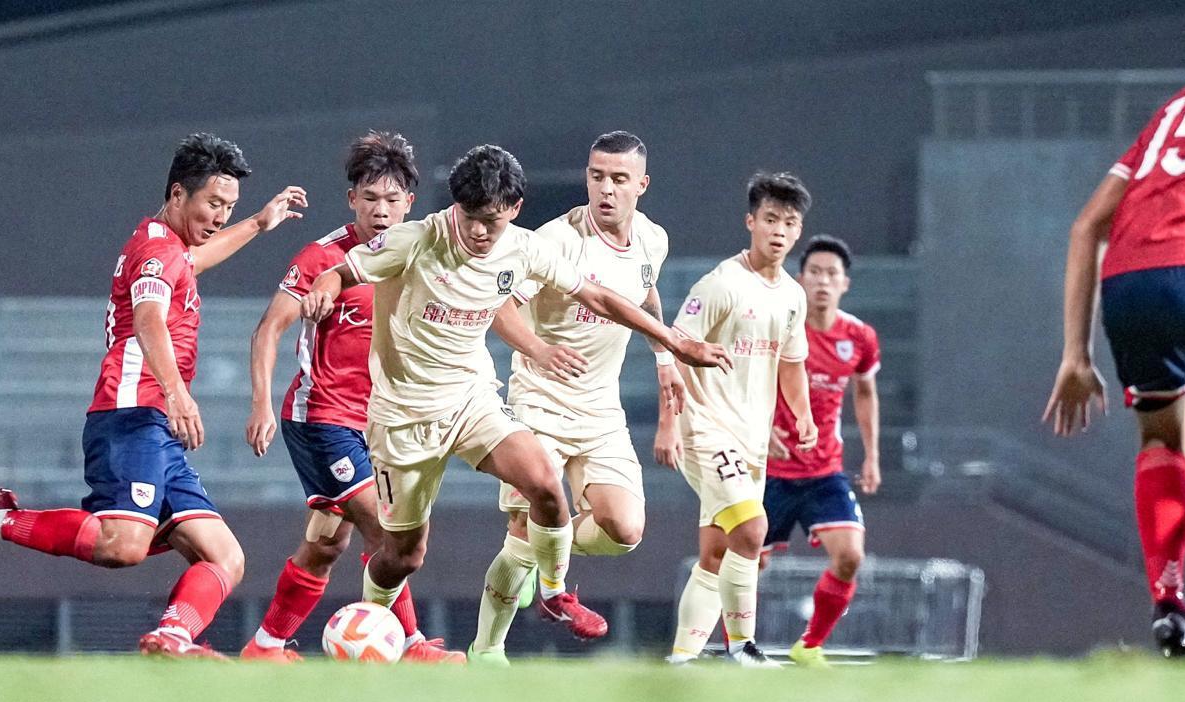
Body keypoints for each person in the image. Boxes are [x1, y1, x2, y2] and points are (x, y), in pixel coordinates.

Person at [299, 144, 729, 646]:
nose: (481, 233)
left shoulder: (524, 246)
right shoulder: (414, 239)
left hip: (472, 399)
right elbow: (341, 270)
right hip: (404, 417)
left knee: (545, 485)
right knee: (404, 556)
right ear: (456, 206)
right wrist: (325, 288)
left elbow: (599, 295)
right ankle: (369, 622)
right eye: (473, 218)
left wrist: (673, 341)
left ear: (515, 211)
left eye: (494, 221)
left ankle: (552, 592)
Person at [0, 133, 307, 658]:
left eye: (229, 207)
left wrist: (259, 224)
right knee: (122, 547)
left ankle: (171, 636)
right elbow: (149, 318)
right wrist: (177, 394)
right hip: (131, 414)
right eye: (213, 203)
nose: (220, 216)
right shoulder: (156, 251)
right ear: (178, 194)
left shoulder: (168, 247)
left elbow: (194, 262)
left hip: (155, 425)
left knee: (225, 558)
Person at [1045, 0, 1185, 669]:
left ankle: (1171, 612)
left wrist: (1074, 356)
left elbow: (1086, 226)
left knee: (1164, 433)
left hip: (1126, 284)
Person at [240, 130, 460, 663]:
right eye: (369, 198)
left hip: (377, 424)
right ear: (351, 200)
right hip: (321, 418)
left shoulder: (418, 258)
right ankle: (408, 645)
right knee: (389, 536)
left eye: (391, 200)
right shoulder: (321, 258)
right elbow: (269, 328)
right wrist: (261, 402)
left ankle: (265, 646)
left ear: (409, 202)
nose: (380, 210)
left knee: (325, 544)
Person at [468, 130, 682, 663]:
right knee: (525, 524)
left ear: (642, 185)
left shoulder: (653, 240)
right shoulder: (552, 241)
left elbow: (647, 295)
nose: (605, 189)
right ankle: (486, 652)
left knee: (624, 528)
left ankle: (542, 560)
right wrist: (539, 349)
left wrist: (664, 360)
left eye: (618, 179)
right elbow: (502, 308)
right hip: (539, 401)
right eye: (596, 176)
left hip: (600, 409)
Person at [662, 172, 817, 666]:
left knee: (716, 551)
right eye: (769, 219)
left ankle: (682, 659)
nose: (778, 230)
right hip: (705, 426)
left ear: (797, 234)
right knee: (753, 531)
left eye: (788, 223)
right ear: (750, 222)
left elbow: (790, 364)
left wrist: (804, 417)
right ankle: (742, 646)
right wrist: (670, 423)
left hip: (750, 440)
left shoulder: (793, 296)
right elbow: (673, 347)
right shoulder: (721, 285)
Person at [756, 234, 881, 668]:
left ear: (845, 283)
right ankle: (734, 646)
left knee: (850, 556)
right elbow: (746, 380)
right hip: (769, 470)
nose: (823, 282)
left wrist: (872, 455)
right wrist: (760, 429)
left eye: (832, 274)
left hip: (825, 471)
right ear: (800, 278)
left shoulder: (860, 337)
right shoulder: (778, 328)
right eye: (815, 273)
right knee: (745, 565)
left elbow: (865, 392)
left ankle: (809, 647)